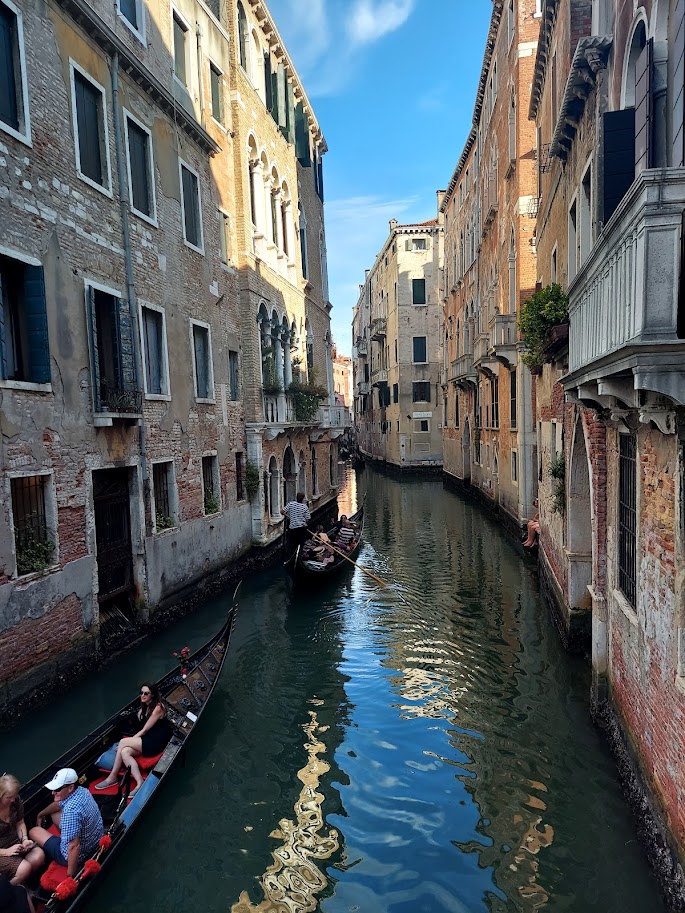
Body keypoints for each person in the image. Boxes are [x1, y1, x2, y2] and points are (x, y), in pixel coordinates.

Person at [95, 683, 171, 796]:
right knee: (125, 751)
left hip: (156, 741)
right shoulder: (145, 706)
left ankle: (113, 776)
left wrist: (127, 742)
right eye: (141, 693)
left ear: (153, 695)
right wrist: (125, 745)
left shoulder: (158, 707)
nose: (143, 695)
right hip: (148, 738)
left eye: (146, 693)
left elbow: (144, 730)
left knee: (123, 743)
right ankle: (140, 782)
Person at [29, 769, 103, 879]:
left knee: (33, 831)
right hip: (96, 840)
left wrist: (70, 876)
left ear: (70, 788)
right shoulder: (82, 791)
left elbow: (74, 846)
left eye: (57, 789)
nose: (53, 792)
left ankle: (59, 846)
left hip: (78, 854)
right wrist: (41, 814)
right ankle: (67, 835)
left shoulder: (71, 812)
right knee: (54, 813)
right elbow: (58, 805)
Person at [0, 775, 44, 886]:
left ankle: (21, 880)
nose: (13, 800)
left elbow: (20, 822)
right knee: (24, 868)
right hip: (1, 851)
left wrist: (24, 839)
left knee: (39, 855)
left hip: (16, 843)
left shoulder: (15, 801)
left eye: (14, 796)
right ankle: (6, 892)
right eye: (9, 797)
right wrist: (6, 851)